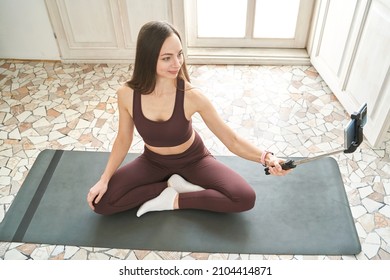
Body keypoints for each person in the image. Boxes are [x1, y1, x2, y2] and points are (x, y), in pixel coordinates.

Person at [87, 21, 290, 217]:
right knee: (100, 203)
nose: (177, 63)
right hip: (152, 161)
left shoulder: (192, 96)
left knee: (244, 197)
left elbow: (232, 140)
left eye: (179, 54)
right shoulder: (127, 94)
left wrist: (268, 158)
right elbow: (123, 139)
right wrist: (104, 180)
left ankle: (176, 200)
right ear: (148, 58)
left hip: (194, 160)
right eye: (167, 58)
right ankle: (170, 186)